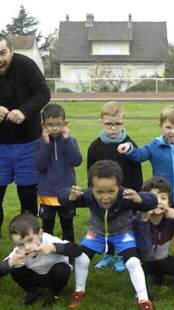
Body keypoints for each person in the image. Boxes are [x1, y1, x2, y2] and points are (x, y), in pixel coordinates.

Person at [58, 160, 157, 309]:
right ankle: (79, 291)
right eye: (99, 192)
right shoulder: (87, 195)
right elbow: (61, 197)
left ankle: (144, 299)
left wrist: (140, 199)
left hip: (122, 233)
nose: (105, 197)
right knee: (82, 259)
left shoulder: (127, 196)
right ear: (91, 188)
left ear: (119, 187)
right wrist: (70, 197)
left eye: (111, 191)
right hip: (97, 233)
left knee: (133, 262)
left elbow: (152, 201)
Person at [0, 34, 51, 236]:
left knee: (28, 197)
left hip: (28, 144)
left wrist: (24, 111)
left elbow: (43, 93)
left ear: (11, 51)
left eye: (2, 53)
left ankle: (28, 239)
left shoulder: (26, 66)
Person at [88, 101, 143, 272]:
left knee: (124, 225)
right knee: (106, 224)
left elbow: (136, 170)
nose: (113, 127)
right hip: (103, 194)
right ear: (101, 122)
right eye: (109, 124)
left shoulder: (129, 145)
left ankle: (122, 255)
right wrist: (92, 192)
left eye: (117, 124)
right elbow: (91, 170)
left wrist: (136, 193)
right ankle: (108, 254)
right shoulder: (95, 146)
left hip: (124, 194)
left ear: (123, 122)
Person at [0, 213, 83, 307]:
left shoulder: (49, 241)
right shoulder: (18, 252)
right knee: (15, 268)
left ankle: (54, 292)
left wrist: (54, 247)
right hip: (34, 276)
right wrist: (10, 263)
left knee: (62, 269)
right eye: (21, 244)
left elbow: (77, 250)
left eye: (30, 240)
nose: (27, 247)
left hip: (53, 276)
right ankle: (31, 291)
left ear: (40, 234)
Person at [134, 176, 174, 292]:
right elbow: (144, 249)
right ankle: (141, 289)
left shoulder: (171, 217)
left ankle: (159, 274)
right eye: (153, 198)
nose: (158, 201)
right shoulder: (139, 218)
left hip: (161, 259)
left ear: (169, 203)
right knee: (147, 256)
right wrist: (144, 221)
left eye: (163, 198)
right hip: (141, 262)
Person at [34, 104, 82, 242]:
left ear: (65, 123)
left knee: (67, 227)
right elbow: (40, 165)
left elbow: (76, 161)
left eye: (58, 124)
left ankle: (69, 257)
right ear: (43, 124)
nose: (54, 128)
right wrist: (46, 144)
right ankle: (47, 255)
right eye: (50, 124)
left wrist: (67, 140)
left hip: (67, 193)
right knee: (47, 227)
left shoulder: (70, 141)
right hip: (47, 193)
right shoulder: (40, 143)